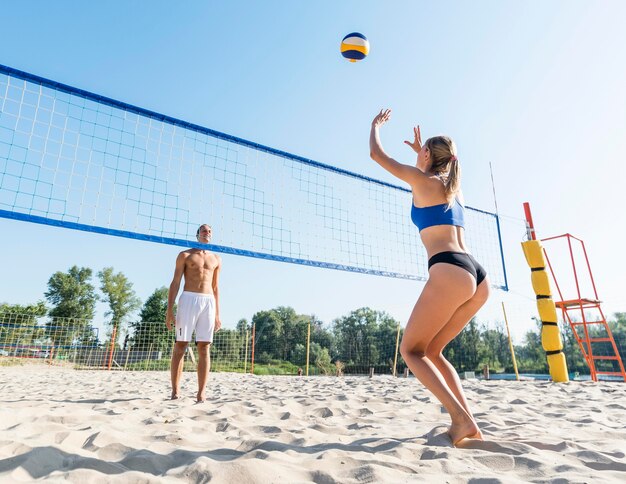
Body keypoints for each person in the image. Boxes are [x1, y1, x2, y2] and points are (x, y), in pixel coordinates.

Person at [369, 109, 490, 446]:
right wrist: (423, 155)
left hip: (449, 270)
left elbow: (376, 155)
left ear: (429, 157)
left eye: (423, 153)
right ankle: (470, 423)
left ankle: (461, 419)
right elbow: (435, 173)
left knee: (411, 350)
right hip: (477, 277)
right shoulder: (454, 189)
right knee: (433, 351)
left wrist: (375, 126)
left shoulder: (422, 182)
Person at [166, 224, 222, 402]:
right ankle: (175, 390)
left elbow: (215, 287)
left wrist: (217, 314)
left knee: (204, 347)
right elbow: (175, 282)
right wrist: (169, 309)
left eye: (210, 231)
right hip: (188, 299)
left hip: (208, 302)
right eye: (204, 230)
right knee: (181, 346)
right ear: (197, 235)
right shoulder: (185, 255)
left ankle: (201, 392)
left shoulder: (216, 258)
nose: (207, 233)